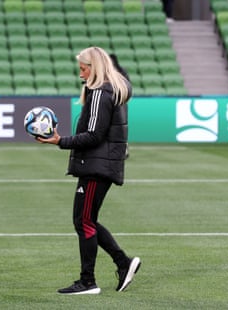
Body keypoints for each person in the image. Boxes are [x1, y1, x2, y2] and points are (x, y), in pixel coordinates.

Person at [37, 46, 141, 294]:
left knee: (83, 221)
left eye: (83, 69)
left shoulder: (100, 93)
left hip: (97, 165)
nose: (81, 74)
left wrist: (60, 141)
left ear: (94, 67)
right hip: (101, 164)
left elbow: (94, 135)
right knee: (87, 220)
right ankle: (123, 263)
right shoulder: (110, 89)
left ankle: (88, 282)